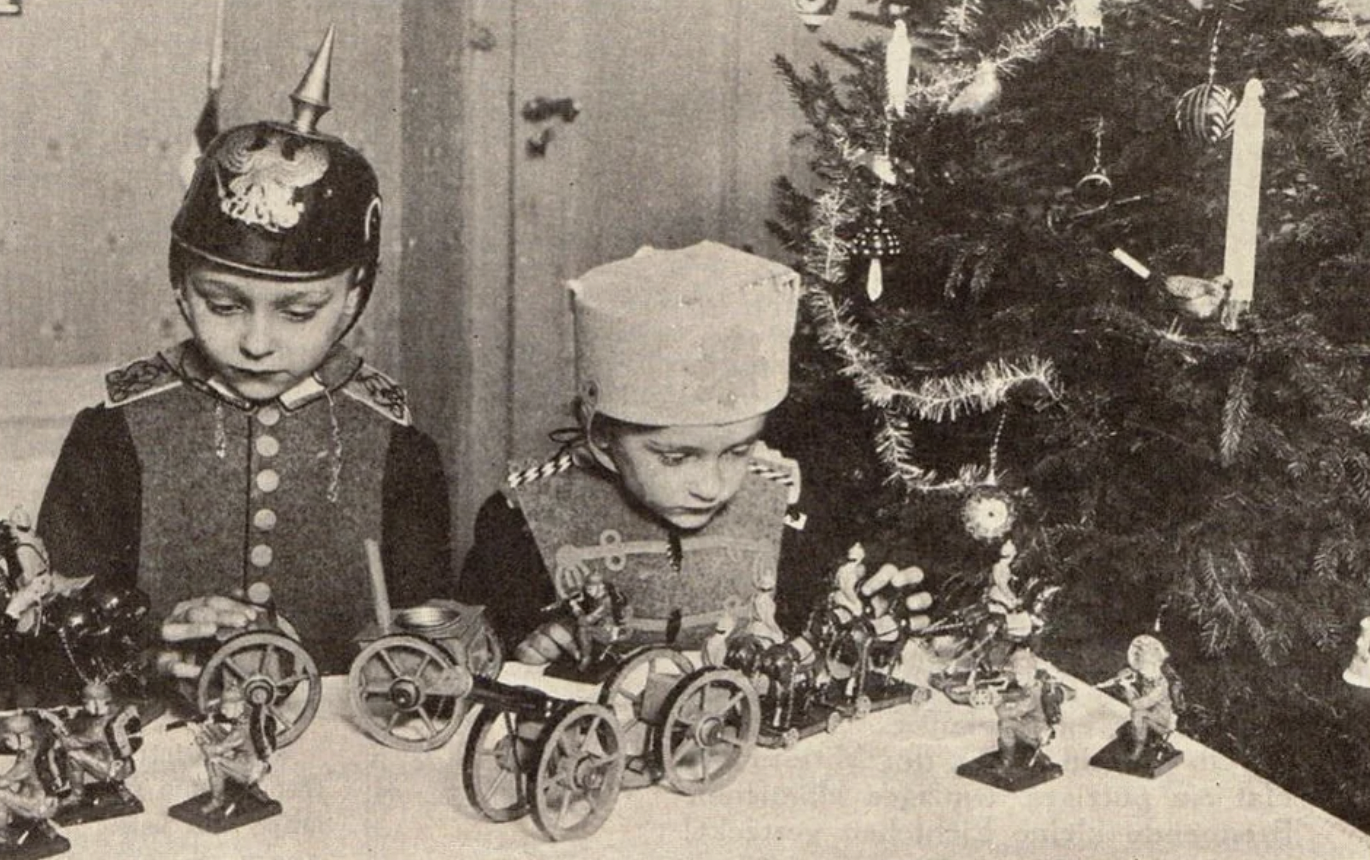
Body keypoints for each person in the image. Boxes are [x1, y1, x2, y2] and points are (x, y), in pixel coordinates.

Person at [36, 29, 452, 678]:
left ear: (353, 296)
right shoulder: (112, 435)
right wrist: (152, 642)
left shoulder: (400, 448)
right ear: (180, 285)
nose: (257, 343)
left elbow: (427, 643)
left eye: (298, 311)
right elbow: (52, 625)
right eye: (224, 306)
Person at [458, 241, 930, 655]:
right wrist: (529, 638)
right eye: (676, 457)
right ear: (602, 437)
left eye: (738, 451)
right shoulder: (519, 523)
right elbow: (477, 636)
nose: (712, 486)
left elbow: (820, 613)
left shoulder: (790, 511)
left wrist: (870, 610)